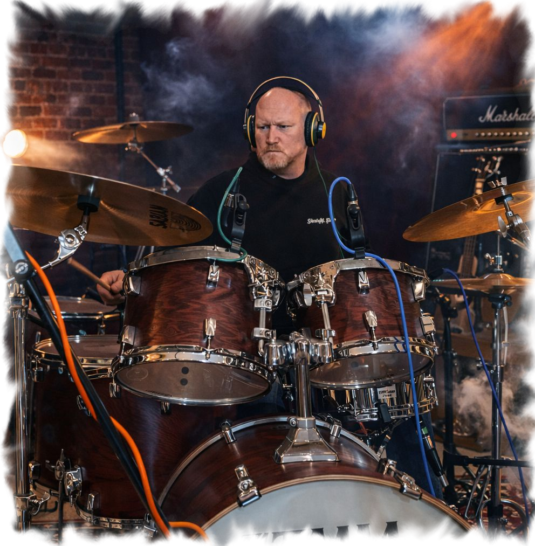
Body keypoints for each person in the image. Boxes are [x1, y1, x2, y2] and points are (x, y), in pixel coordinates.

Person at [98, 78, 443, 498]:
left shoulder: (337, 193)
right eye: (262, 127)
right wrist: (129, 282)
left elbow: (354, 278)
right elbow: (171, 268)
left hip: (324, 364)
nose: (271, 137)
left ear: (312, 130)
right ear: (250, 130)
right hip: (244, 364)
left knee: (399, 415)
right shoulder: (223, 192)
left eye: (283, 127)